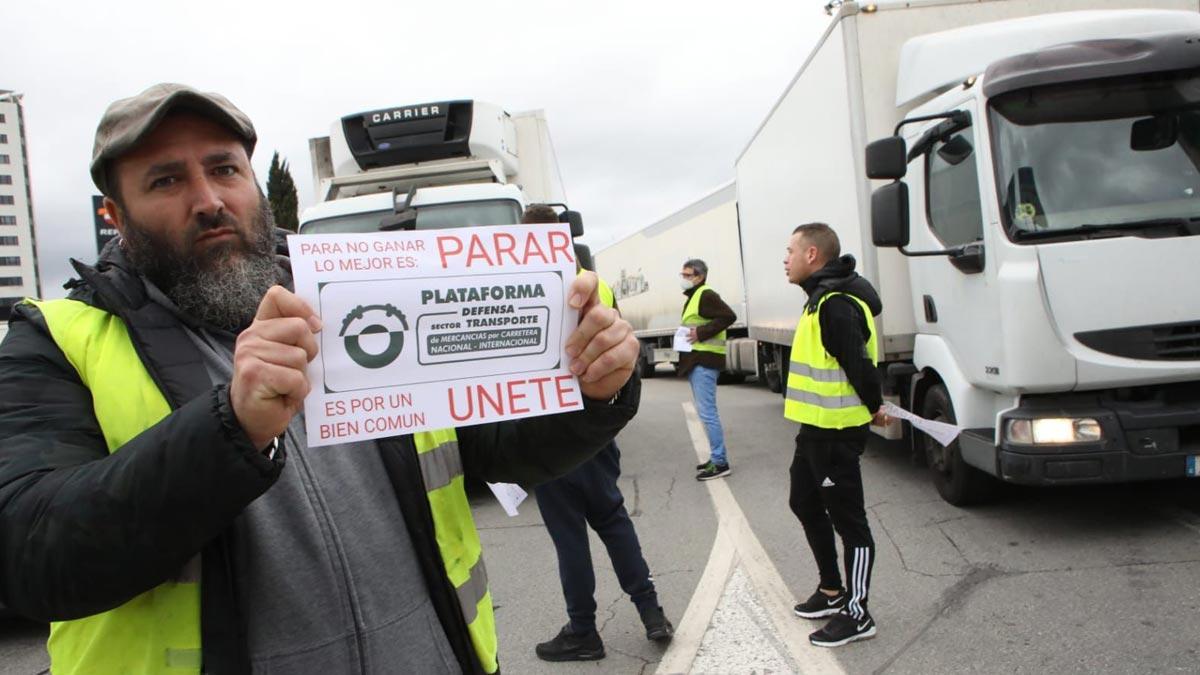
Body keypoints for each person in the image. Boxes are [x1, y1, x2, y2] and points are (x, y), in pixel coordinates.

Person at [0, 84, 641, 675]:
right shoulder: (58, 340)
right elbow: (30, 556)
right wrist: (231, 427)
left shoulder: (353, 300)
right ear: (115, 214)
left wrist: (592, 391)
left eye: (225, 169)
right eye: (166, 180)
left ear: (254, 181)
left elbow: (486, 454)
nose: (208, 200)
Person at [518, 204, 673, 662]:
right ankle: (652, 614)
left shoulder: (527, 284)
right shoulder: (593, 279)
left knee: (570, 537)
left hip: (549, 427)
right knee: (611, 518)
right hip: (594, 424)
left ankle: (583, 631)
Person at [782, 222, 888, 648]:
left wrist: (875, 406)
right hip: (815, 430)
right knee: (803, 501)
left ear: (812, 256)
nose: (784, 259)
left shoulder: (835, 304)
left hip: (836, 433)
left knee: (851, 523)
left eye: (790, 251)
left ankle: (858, 612)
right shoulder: (818, 300)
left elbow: (859, 364)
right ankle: (831, 590)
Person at [677, 259, 736, 480]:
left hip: (704, 362)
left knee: (708, 413)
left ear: (700, 277)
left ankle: (720, 463)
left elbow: (729, 316)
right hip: (697, 361)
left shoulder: (705, 294)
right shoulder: (695, 296)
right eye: (682, 274)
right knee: (706, 412)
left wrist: (701, 333)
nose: (683, 279)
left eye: (687, 275)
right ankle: (715, 458)